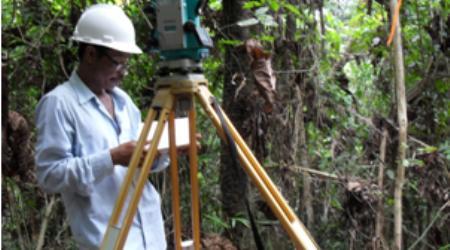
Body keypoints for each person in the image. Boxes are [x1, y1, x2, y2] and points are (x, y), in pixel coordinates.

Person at [35, 4, 169, 249]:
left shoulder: (123, 102)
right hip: (107, 240)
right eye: (117, 62)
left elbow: (138, 164)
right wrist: (111, 158)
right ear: (90, 54)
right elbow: (49, 175)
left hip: (151, 236)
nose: (123, 73)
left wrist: (163, 153)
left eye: (126, 63)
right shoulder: (59, 104)